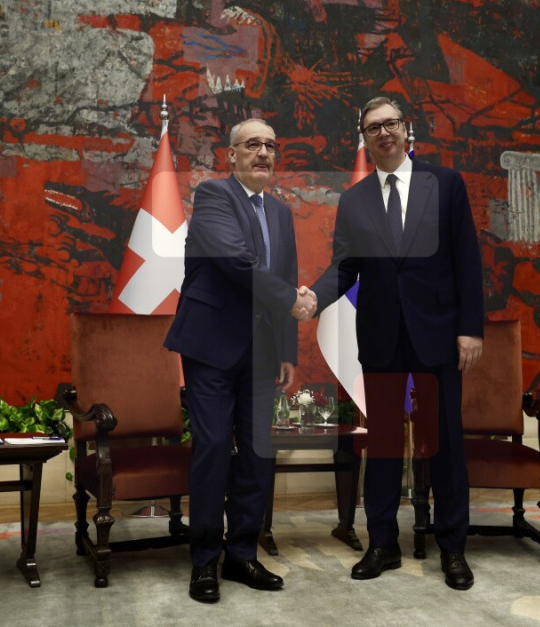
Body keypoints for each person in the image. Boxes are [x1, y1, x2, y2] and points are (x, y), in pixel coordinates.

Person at [308, 96, 484, 590]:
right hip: (381, 337)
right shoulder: (354, 199)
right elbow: (345, 266)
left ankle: (453, 548)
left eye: (390, 124)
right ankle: (382, 544)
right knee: (383, 446)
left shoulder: (445, 184)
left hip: (437, 335)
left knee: (444, 445)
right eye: (373, 128)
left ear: (407, 129)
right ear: (364, 139)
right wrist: (313, 299)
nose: (383, 133)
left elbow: (467, 259)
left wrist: (470, 328)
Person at [164, 118, 317, 603]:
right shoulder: (214, 195)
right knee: (213, 448)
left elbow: (287, 274)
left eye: (271, 145)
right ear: (231, 154)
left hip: (262, 351)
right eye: (253, 145)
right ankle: (204, 561)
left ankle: (242, 555)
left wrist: (287, 350)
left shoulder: (281, 212)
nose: (264, 153)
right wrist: (294, 300)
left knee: (257, 453)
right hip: (211, 345)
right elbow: (234, 261)